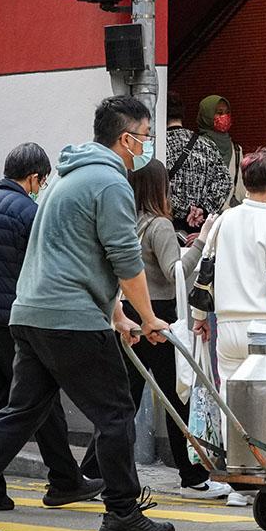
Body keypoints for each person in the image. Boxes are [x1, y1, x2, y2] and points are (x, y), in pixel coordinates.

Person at [0, 96, 175, 531]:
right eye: (145, 136)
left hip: (30, 313)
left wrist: (118, 316)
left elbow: (78, 255)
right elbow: (122, 258)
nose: (147, 144)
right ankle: (122, 512)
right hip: (70, 318)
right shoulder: (110, 183)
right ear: (126, 138)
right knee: (116, 412)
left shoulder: (66, 176)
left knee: (20, 411)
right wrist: (149, 316)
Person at [0, 143, 103, 513]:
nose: (42, 187)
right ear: (34, 178)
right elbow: (40, 269)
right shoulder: (30, 214)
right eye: (43, 180)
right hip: (15, 320)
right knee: (38, 400)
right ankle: (64, 479)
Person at [78, 159, 230, 501]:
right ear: (158, 188)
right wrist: (201, 241)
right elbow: (176, 271)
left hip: (129, 312)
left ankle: (91, 471)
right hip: (158, 316)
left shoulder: (132, 222)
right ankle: (192, 477)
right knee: (177, 397)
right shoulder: (159, 225)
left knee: (124, 400)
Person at [196, 148, 266, 388]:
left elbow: (206, 268)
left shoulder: (224, 220)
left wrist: (199, 316)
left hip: (226, 326)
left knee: (230, 402)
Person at [165, 93, 231, 234]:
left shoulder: (158, 146)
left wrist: (183, 209)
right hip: (200, 226)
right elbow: (225, 182)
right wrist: (203, 208)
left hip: (168, 224)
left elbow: (155, 185)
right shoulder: (206, 144)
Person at [197, 95, 248, 210]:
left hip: (231, 213)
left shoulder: (236, 149)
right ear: (207, 115)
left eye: (227, 112)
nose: (224, 117)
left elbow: (240, 185)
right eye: (219, 113)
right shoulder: (198, 147)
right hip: (205, 215)